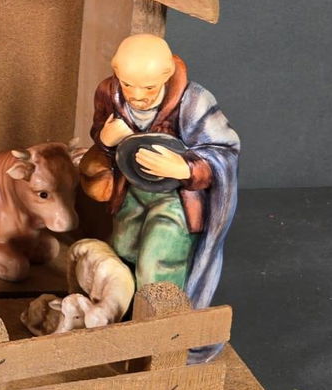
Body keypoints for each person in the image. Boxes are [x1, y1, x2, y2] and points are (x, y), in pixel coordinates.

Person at [81, 33, 240, 360]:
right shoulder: (109, 92)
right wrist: (105, 138)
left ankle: (160, 343)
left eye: (149, 87)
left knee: (159, 262)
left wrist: (185, 168)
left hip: (177, 201)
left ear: (167, 75)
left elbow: (224, 150)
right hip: (130, 192)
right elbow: (99, 133)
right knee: (124, 251)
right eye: (128, 84)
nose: (137, 95)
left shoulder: (194, 102)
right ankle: (123, 329)